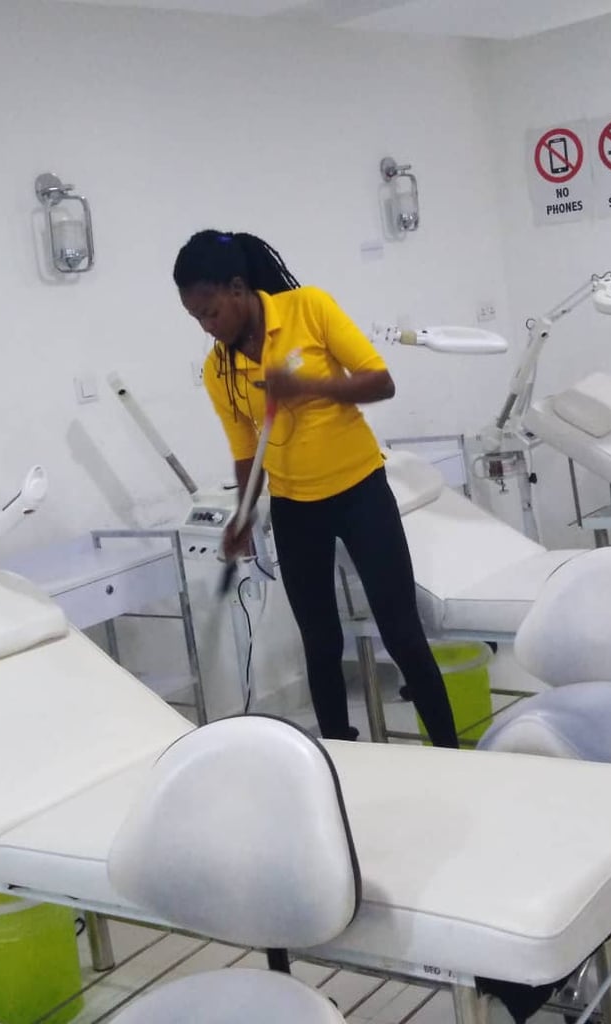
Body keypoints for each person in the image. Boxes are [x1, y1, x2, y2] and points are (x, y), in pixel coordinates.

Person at [173, 229, 459, 747]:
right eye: (195, 318)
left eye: (210, 312)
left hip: (360, 491)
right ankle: (340, 757)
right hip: (294, 508)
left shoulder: (309, 308)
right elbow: (246, 450)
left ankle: (449, 749)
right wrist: (243, 514)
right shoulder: (221, 370)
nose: (207, 327)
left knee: (401, 632)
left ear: (237, 289)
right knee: (320, 642)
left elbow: (380, 381)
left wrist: (305, 386)